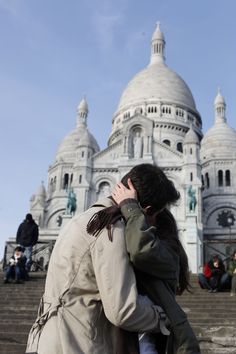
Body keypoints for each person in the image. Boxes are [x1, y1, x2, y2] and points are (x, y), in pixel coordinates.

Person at [26, 164, 168, 354]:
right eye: (155, 217)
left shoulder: (81, 219)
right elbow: (123, 311)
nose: (152, 225)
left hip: (53, 338)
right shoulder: (110, 228)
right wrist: (162, 316)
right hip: (77, 342)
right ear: (147, 209)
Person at [109, 166, 200, 354]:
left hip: (149, 339)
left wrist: (131, 208)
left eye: (148, 217)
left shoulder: (168, 254)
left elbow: (141, 251)